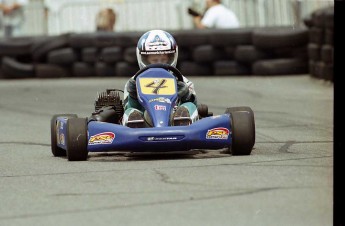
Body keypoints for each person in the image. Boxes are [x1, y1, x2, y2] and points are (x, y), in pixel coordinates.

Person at [122, 29, 198, 128]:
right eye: (155, 60)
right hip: (146, 123)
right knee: (130, 112)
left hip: (174, 122)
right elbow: (129, 109)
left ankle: (184, 126)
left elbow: (195, 107)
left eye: (163, 60)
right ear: (143, 59)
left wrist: (186, 96)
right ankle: (135, 130)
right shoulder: (133, 82)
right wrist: (133, 96)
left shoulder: (183, 81)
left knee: (189, 106)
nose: (159, 64)